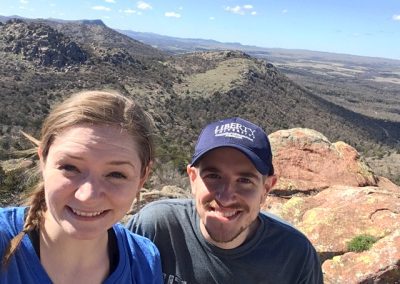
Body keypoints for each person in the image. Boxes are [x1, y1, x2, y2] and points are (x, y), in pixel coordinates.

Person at [127, 117, 323, 284]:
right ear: (193, 179)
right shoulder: (156, 229)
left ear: (266, 188)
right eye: (213, 176)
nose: (226, 197)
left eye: (244, 180)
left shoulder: (294, 255)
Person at [0, 90, 162, 284]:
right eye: (70, 168)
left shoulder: (144, 261)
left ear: (142, 177)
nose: (88, 196)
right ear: (42, 160)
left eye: (116, 174)